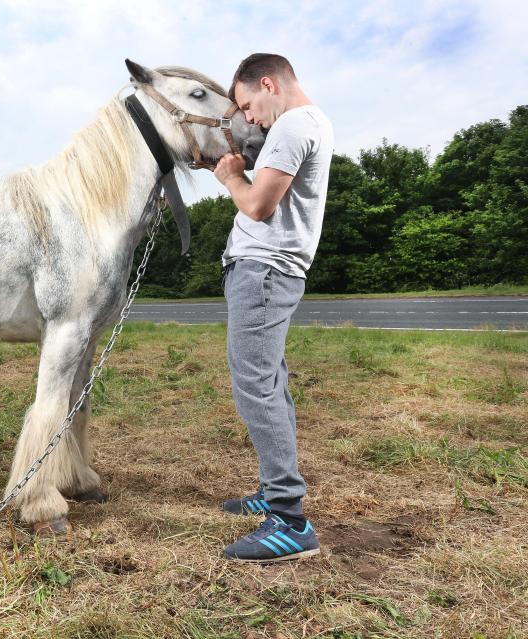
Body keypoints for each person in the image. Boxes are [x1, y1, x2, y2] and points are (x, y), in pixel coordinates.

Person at [212, 53, 333, 562]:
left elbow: (259, 206)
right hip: (273, 272)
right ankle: (273, 489)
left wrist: (231, 177)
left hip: (263, 271)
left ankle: (289, 519)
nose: (251, 118)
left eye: (247, 105)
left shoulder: (291, 125)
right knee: (272, 383)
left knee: (256, 387)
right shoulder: (316, 123)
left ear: (269, 83)